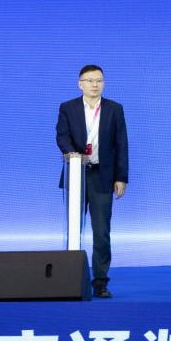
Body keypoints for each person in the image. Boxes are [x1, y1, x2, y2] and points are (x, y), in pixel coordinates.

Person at [55, 64, 128, 298]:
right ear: (80, 84)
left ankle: (100, 282)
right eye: (90, 80)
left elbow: (121, 144)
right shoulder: (68, 108)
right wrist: (72, 154)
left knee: (102, 231)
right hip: (76, 173)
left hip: (102, 176)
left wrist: (121, 177)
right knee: (73, 229)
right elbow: (62, 135)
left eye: (99, 80)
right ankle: (70, 278)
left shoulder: (114, 109)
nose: (94, 84)